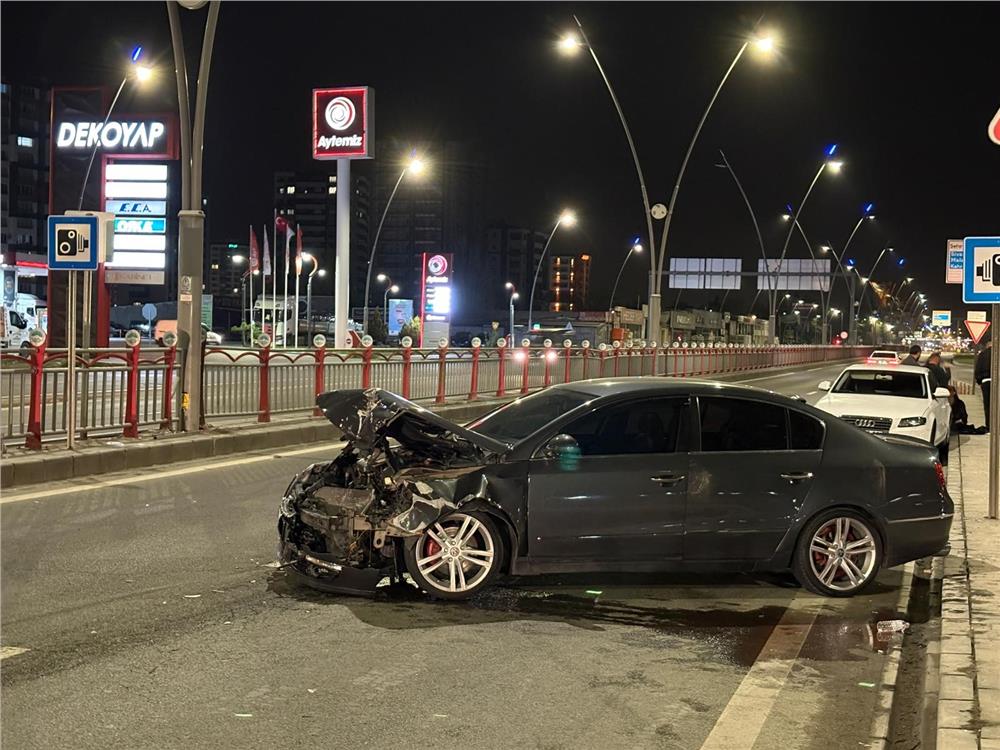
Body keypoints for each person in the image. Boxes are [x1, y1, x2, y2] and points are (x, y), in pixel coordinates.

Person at [975, 340, 992, 431]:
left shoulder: (982, 354)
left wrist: (979, 382)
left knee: (987, 405)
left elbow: (977, 370)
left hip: (985, 381)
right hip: (997, 382)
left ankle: (989, 425)